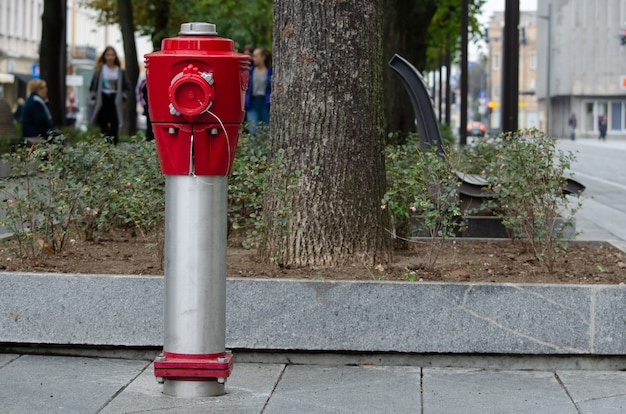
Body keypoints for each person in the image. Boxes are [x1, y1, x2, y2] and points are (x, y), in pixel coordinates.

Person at [89, 46, 130, 145]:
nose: (110, 57)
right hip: (102, 99)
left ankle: (114, 145)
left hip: (115, 100)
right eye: (108, 55)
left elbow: (127, 87)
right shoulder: (100, 70)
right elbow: (93, 85)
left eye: (112, 55)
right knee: (103, 124)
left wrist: (123, 97)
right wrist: (94, 95)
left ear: (115, 57)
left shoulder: (120, 71)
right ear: (104, 57)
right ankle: (105, 145)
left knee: (114, 124)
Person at [245, 48, 272, 137]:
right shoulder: (250, 71)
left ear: (263, 57)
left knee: (266, 129)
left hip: (265, 103)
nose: (254, 58)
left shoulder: (270, 72)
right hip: (252, 102)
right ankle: (252, 150)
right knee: (253, 129)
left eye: (256, 56)